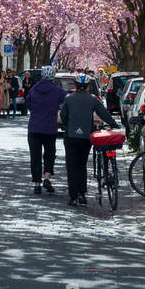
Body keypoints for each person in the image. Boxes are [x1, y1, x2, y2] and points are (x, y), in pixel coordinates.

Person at [60, 74, 118, 207]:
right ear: (87, 87)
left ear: (75, 86)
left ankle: (73, 196)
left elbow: (63, 116)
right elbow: (103, 113)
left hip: (71, 136)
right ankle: (82, 193)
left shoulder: (68, 99)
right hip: (86, 137)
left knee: (72, 165)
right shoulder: (92, 99)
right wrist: (114, 124)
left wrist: (66, 124)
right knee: (82, 164)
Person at [25, 65, 66, 196]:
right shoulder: (58, 91)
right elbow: (64, 103)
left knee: (35, 156)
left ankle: (37, 184)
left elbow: (28, 104)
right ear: (53, 76)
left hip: (34, 127)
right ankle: (47, 177)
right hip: (49, 127)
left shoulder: (34, 89)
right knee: (49, 154)